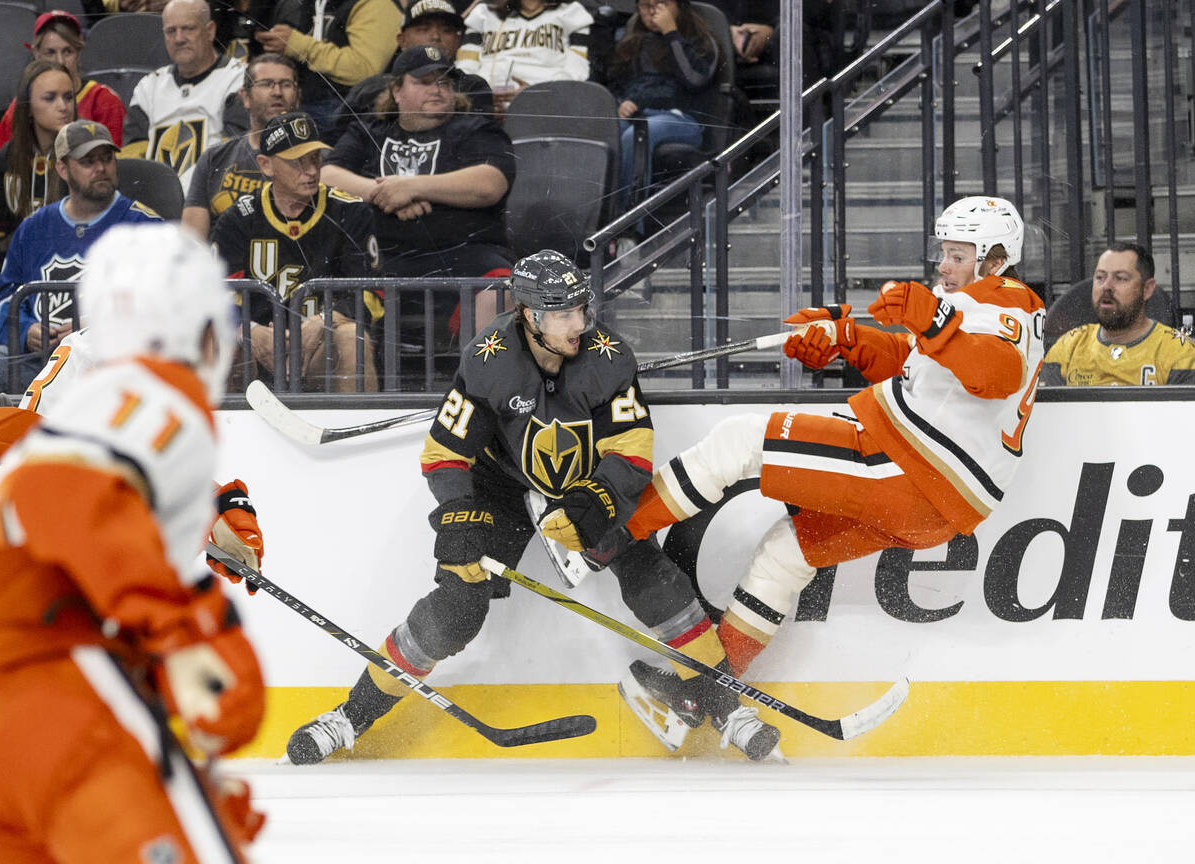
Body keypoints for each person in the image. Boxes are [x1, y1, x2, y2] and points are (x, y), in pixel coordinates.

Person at [283, 249, 783, 764]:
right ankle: (349, 717)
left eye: (580, 310)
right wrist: (456, 519)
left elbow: (632, 449)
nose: (578, 324)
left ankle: (728, 708)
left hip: (589, 482)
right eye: (563, 314)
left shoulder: (610, 358)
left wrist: (595, 501)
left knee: (654, 580)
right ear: (530, 316)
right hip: (502, 483)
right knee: (457, 608)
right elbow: (445, 452)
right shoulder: (488, 358)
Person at [617, 196, 1046, 753]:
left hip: (912, 469)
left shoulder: (1007, 301)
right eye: (943, 252)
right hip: (937, 504)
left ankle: (606, 536)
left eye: (958, 255)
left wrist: (931, 317)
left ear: (994, 260)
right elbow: (918, 363)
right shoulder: (968, 303)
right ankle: (704, 695)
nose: (943, 265)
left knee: (742, 441)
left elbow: (995, 372)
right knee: (787, 551)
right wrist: (845, 338)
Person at [0, 222, 266, 862]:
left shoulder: (115, 394)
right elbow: (67, 484)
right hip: (46, 691)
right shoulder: (145, 392)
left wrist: (213, 509)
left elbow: (91, 472)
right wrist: (184, 620)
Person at [324, 45, 516, 366]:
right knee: (340, 310)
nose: (437, 89)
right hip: (384, 260)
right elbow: (326, 174)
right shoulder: (369, 131)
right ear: (396, 90)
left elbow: (490, 184)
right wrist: (381, 192)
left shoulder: (475, 129)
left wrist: (411, 186)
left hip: (467, 256)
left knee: (500, 290)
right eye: (424, 81)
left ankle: (485, 399)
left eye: (444, 82)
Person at [212, 111, 381, 392]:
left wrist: (325, 321)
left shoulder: (350, 212)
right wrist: (250, 330)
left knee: (352, 339)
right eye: (297, 162)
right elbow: (216, 296)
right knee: (225, 340)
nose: (312, 170)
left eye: (315, 158)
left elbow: (373, 295)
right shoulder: (237, 218)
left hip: (322, 350)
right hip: (256, 352)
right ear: (266, 165)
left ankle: (358, 434)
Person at [0, 121, 163, 387]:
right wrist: (27, 330)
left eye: (107, 159)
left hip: (116, 363)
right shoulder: (33, 228)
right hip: (41, 364)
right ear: (62, 168)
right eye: (88, 161)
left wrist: (94, 328)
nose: (101, 169)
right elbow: (5, 298)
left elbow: (166, 301)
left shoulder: (146, 226)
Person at [121, 0, 248, 192]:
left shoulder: (237, 78)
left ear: (210, 30)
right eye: (171, 31)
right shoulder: (148, 86)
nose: (179, 38)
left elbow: (233, 155)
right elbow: (132, 158)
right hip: (156, 204)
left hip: (213, 198)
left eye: (188, 29)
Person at [329, 0, 495, 144]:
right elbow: (333, 142)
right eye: (423, 29)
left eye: (446, 30)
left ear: (458, 40)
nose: (435, 36)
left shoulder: (474, 86)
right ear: (402, 40)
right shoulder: (370, 88)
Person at [607, 0, 718, 207]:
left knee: (638, 135)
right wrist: (620, 103)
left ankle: (630, 227)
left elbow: (694, 79)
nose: (652, 12)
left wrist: (671, 33)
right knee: (606, 133)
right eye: (645, 6)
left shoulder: (700, 41)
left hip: (680, 118)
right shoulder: (630, 44)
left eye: (662, 4)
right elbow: (614, 85)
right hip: (635, 116)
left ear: (679, 6)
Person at [1041, 242, 1195, 386]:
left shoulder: (1180, 353)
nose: (1106, 286)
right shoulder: (1068, 347)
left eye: (1120, 278)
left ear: (1147, 289)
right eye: (1100, 277)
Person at [182, 52, 302, 238]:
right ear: (245, 97)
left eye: (286, 85)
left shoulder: (314, 162)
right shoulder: (214, 158)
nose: (277, 92)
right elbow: (192, 240)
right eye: (266, 84)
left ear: (298, 96)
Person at [257, 0, 402, 133]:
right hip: (304, 102)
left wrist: (298, 45)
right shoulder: (303, 4)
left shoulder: (376, 4)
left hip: (351, 111)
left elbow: (364, 68)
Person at [0, 11, 127, 155]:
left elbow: (115, 164)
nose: (60, 61)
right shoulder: (21, 105)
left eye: (68, 52)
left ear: (79, 52)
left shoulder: (104, 101)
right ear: (36, 54)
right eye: (50, 53)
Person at [456, 0, 594, 113]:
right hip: (484, 110)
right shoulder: (483, 13)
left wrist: (537, 95)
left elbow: (577, 71)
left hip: (546, 109)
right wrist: (481, 96)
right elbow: (466, 67)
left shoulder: (572, 12)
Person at [0, 61, 75, 243]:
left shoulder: (86, 156)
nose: (63, 106)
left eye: (69, 97)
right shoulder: (10, 154)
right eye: (50, 98)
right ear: (28, 107)